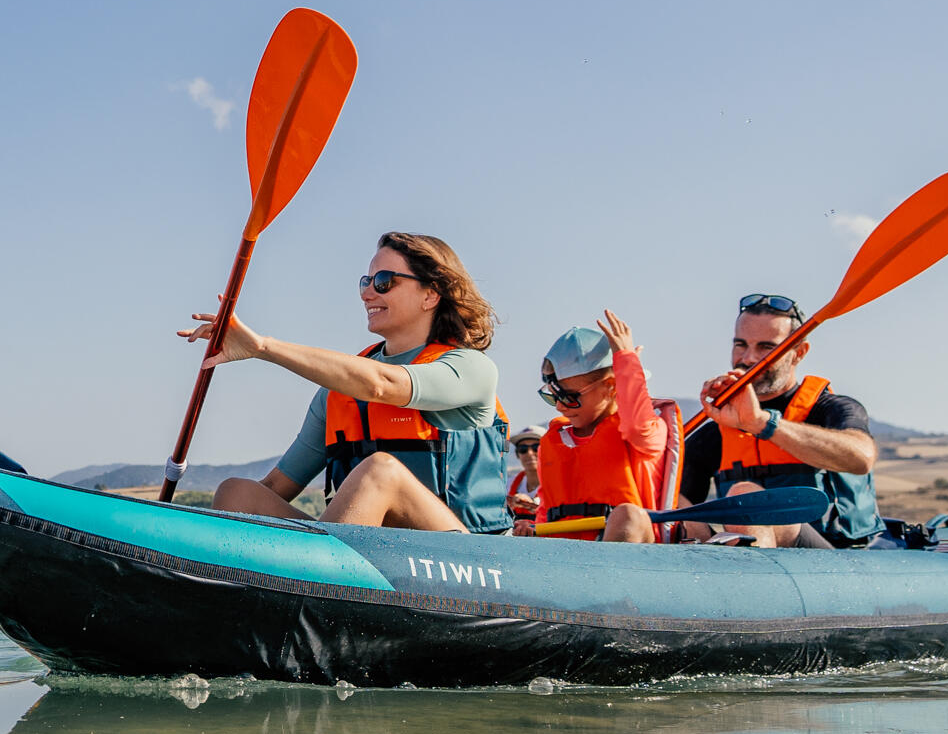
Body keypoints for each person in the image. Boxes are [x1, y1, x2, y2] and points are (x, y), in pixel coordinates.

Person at [183, 232, 511, 534]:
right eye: (365, 282)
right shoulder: (337, 393)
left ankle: (315, 585)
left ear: (430, 294)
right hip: (370, 557)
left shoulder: (471, 368)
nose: (368, 293)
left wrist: (262, 347)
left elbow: (381, 386)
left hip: (462, 560)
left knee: (379, 472)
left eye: (384, 281)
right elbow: (274, 489)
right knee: (238, 493)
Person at [674, 293, 880, 548]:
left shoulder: (831, 408)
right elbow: (681, 511)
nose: (748, 358)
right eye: (741, 345)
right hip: (762, 558)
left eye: (766, 347)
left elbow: (861, 458)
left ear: (799, 353)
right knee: (673, 505)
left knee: (744, 495)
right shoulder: (715, 433)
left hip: (836, 558)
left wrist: (762, 423)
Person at [525, 312, 671, 543]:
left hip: (634, 554)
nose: (560, 407)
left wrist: (626, 362)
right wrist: (533, 529)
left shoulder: (647, 434)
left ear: (611, 387)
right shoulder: (553, 442)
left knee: (628, 515)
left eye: (570, 396)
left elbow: (637, 426)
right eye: (553, 397)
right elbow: (546, 509)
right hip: (568, 556)